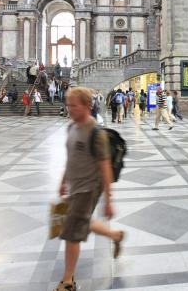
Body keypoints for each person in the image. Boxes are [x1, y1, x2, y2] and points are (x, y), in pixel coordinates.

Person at [55, 87, 125, 291]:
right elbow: (71, 157)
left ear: (86, 105)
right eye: (68, 105)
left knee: (71, 233)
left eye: (74, 106)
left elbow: (105, 169)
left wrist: (109, 201)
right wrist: (62, 180)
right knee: (82, 222)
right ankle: (115, 236)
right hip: (75, 186)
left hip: (88, 189)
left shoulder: (96, 133)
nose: (69, 109)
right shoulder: (71, 127)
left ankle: (68, 281)